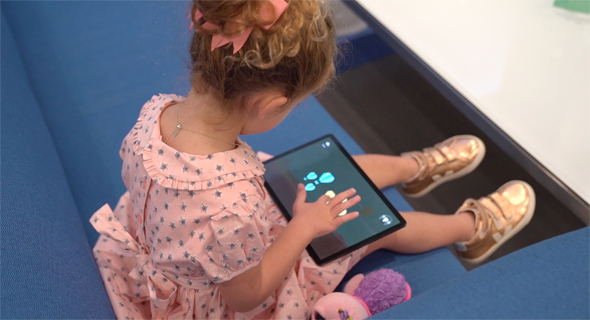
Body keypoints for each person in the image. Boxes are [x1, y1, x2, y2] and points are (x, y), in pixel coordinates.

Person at [89, 1, 536, 319]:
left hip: (190, 230)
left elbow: (207, 212)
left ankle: (414, 168)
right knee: (365, 227)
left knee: (319, 171)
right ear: (267, 104)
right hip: (221, 289)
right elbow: (245, 297)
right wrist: (303, 227)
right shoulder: (228, 209)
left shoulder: (156, 112)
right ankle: (472, 229)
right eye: (291, 106)